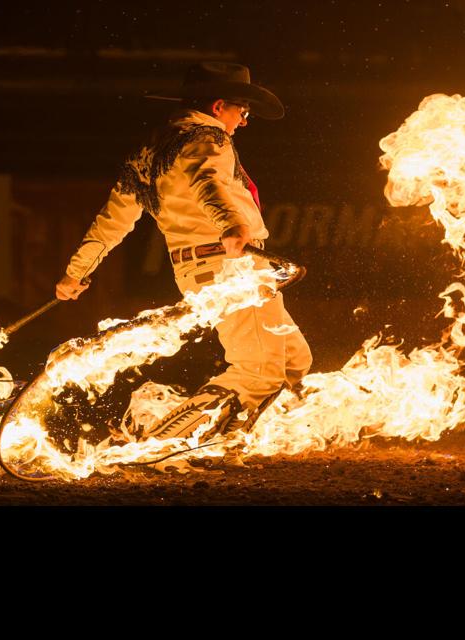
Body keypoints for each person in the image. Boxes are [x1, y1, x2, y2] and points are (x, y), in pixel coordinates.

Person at [54, 61, 311, 440]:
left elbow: (114, 219)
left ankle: (241, 438)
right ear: (219, 105)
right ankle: (164, 442)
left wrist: (76, 271)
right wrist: (231, 225)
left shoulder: (148, 152)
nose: (244, 121)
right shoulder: (207, 137)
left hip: (195, 269)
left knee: (292, 360)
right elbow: (207, 181)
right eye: (243, 110)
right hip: (230, 264)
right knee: (260, 368)